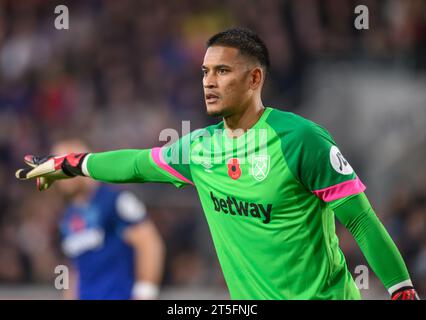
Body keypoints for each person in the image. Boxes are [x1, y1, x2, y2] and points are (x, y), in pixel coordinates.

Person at [16, 28, 419, 300]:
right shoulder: (199, 150)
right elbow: (135, 164)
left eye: (222, 71)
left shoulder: (302, 140)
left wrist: (402, 292)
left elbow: (363, 223)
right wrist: (72, 163)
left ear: (254, 79)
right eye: (206, 71)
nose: (209, 81)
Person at [50, 138, 165, 300]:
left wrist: (145, 293)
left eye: (64, 163)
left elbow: (149, 244)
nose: (59, 171)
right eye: (56, 165)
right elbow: (75, 268)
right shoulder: (67, 215)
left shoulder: (115, 201)